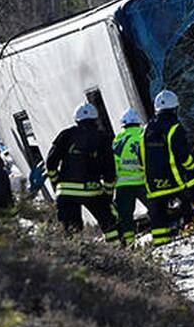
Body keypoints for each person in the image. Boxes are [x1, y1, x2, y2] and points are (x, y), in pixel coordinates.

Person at [142, 90, 194, 245]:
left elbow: (141, 155)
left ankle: (160, 243)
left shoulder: (145, 130)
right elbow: (183, 155)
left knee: (158, 212)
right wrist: (191, 166)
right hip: (177, 180)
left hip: (154, 184)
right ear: (175, 109)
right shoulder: (174, 127)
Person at [45, 103, 121, 242]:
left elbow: (50, 163)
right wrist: (108, 196)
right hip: (91, 190)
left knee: (71, 233)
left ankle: (78, 261)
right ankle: (117, 254)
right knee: (109, 224)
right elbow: (110, 170)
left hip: (66, 193)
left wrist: (57, 184)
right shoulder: (102, 138)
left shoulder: (65, 135)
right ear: (95, 119)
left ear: (76, 119)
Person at [112, 108, 146, 246]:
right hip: (144, 182)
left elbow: (113, 164)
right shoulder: (144, 134)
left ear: (123, 124)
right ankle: (163, 236)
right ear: (138, 122)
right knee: (157, 209)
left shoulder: (118, 140)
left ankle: (129, 244)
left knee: (125, 218)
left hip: (123, 186)